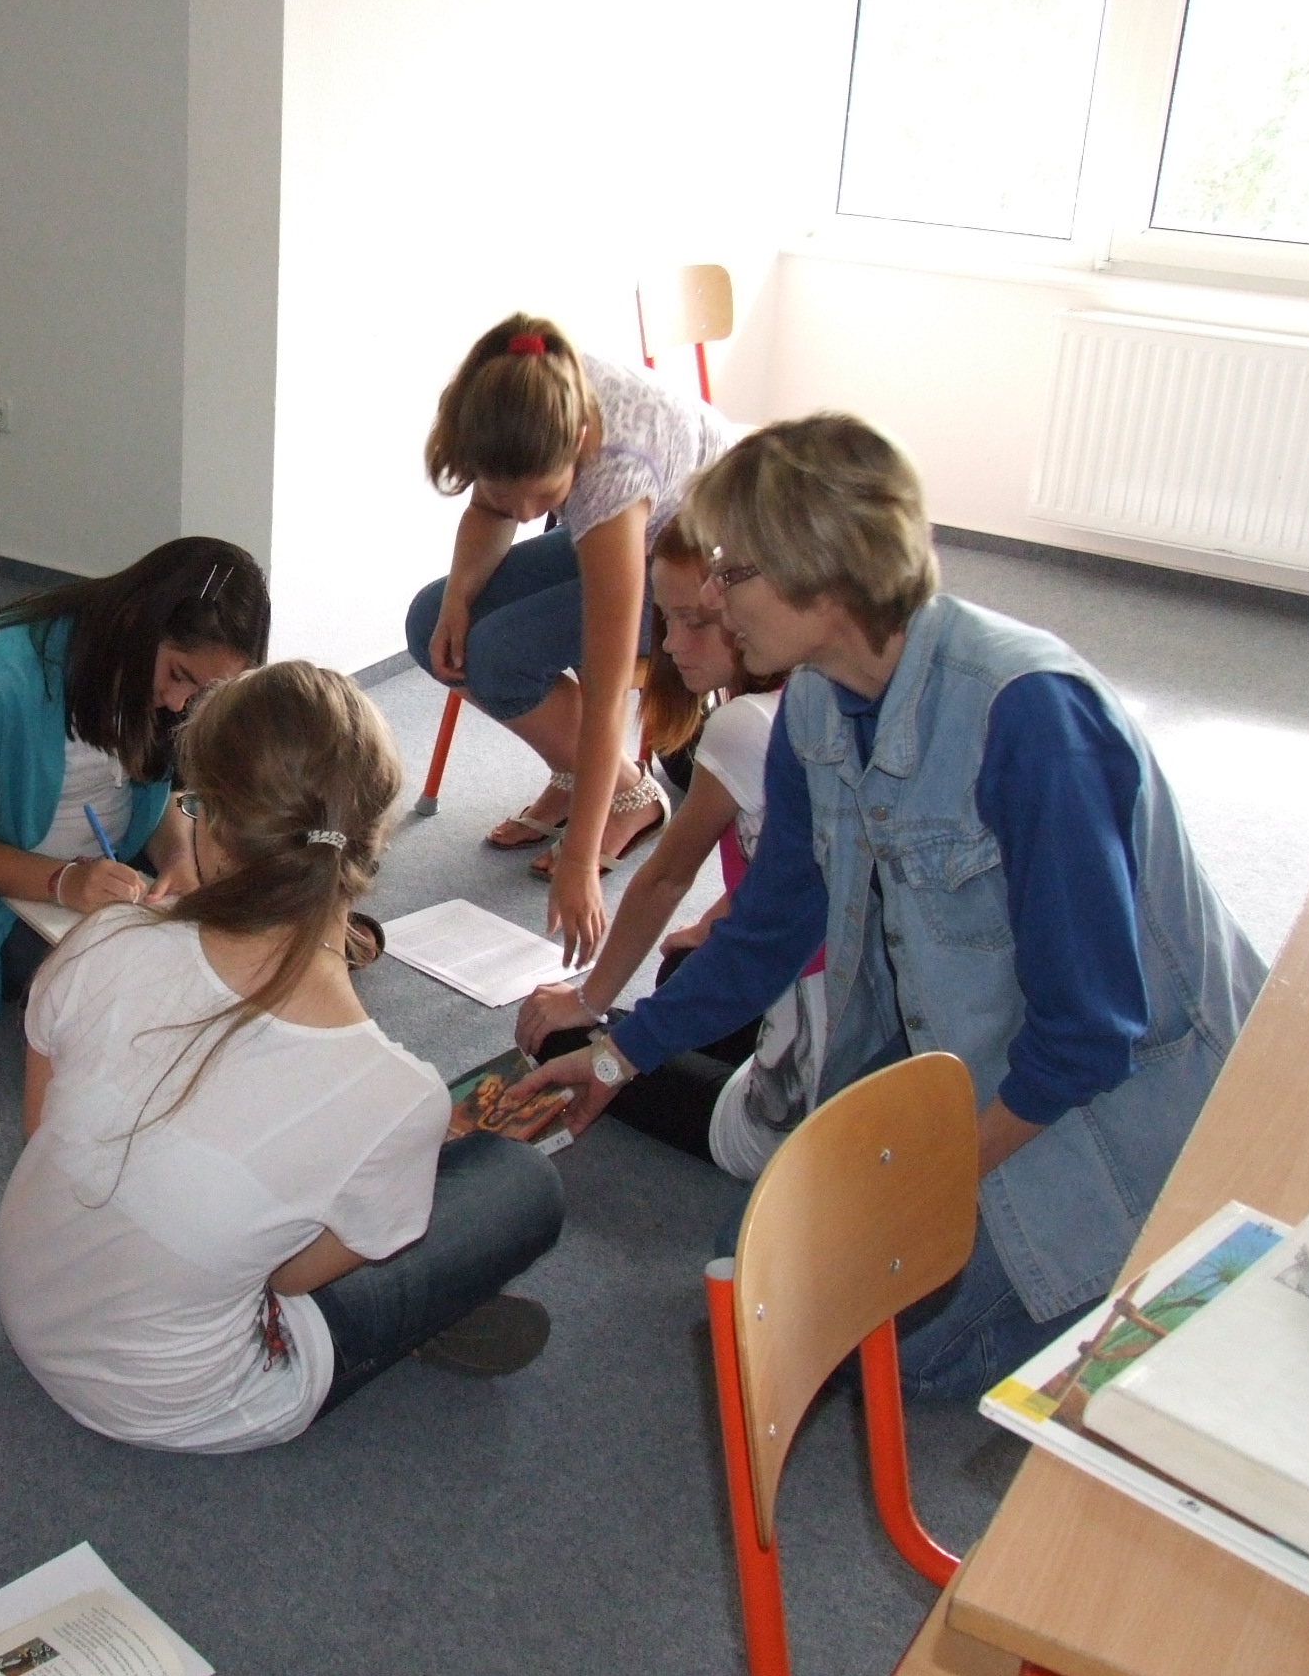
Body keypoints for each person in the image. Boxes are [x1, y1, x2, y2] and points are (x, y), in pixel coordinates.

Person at [545, 414, 1265, 1397]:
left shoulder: (1030, 716)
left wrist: (927, 1185)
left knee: (859, 1352)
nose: (711, 599)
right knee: (756, 1281)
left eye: (732, 572)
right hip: (969, 1045)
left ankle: (1167, 1265)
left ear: (823, 575)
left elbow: (1092, 1034)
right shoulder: (815, 701)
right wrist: (616, 1055)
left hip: (1118, 1103)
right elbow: (767, 934)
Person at [0, 661, 567, 1452]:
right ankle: (412, 1319)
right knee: (520, 1183)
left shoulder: (105, 936)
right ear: (372, 842)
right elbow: (287, 1277)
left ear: (213, 829)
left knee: (331, 1190)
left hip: (31, 1306)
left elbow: (41, 1129)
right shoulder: (399, 1094)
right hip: (179, 1399)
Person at [403, 314, 735, 966]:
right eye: (511, 496)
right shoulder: (515, 403)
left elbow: (608, 695)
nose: (529, 514)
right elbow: (489, 510)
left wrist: (579, 863)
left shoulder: (613, 473)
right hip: (628, 528)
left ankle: (630, 796)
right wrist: (458, 602)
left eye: (542, 495)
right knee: (429, 620)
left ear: (579, 442)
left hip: (696, 568)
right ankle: (578, 768)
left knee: (497, 656)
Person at [507, 515, 825, 1180]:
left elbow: (664, 879)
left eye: (697, 621)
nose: (672, 644)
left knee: (562, 1039)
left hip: (805, 1087)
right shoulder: (819, 693)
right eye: (665, 619)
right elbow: (801, 865)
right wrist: (721, 918)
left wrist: (590, 1003)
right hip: (829, 982)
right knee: (682, 966)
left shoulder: (743, 725)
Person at [0, 536, 271, 1026]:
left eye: (203, 691)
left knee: (250, 910)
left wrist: (177, 858)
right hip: (10, 898)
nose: (180, 703)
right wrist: (65, 881)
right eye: (178, 675)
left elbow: (163, 791)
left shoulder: (170, 688)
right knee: (123, 984)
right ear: (139, 621)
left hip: (118, 870)